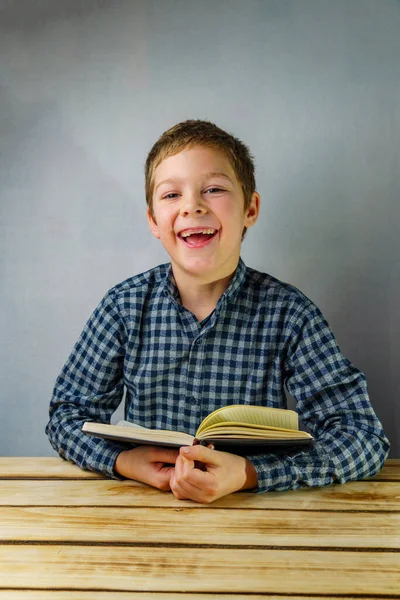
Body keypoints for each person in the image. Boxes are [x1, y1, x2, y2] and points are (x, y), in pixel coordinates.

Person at [46, 119, 390, 503]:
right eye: (171, 194)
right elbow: (67, 415)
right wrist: (124, 461)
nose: (192, 205)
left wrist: (250, 473)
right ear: (153, 222)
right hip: (145, 517)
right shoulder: (123, 308)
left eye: (213, 189)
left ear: (250, 209)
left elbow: (362, 435)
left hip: (253, 517)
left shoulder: (290, 315)